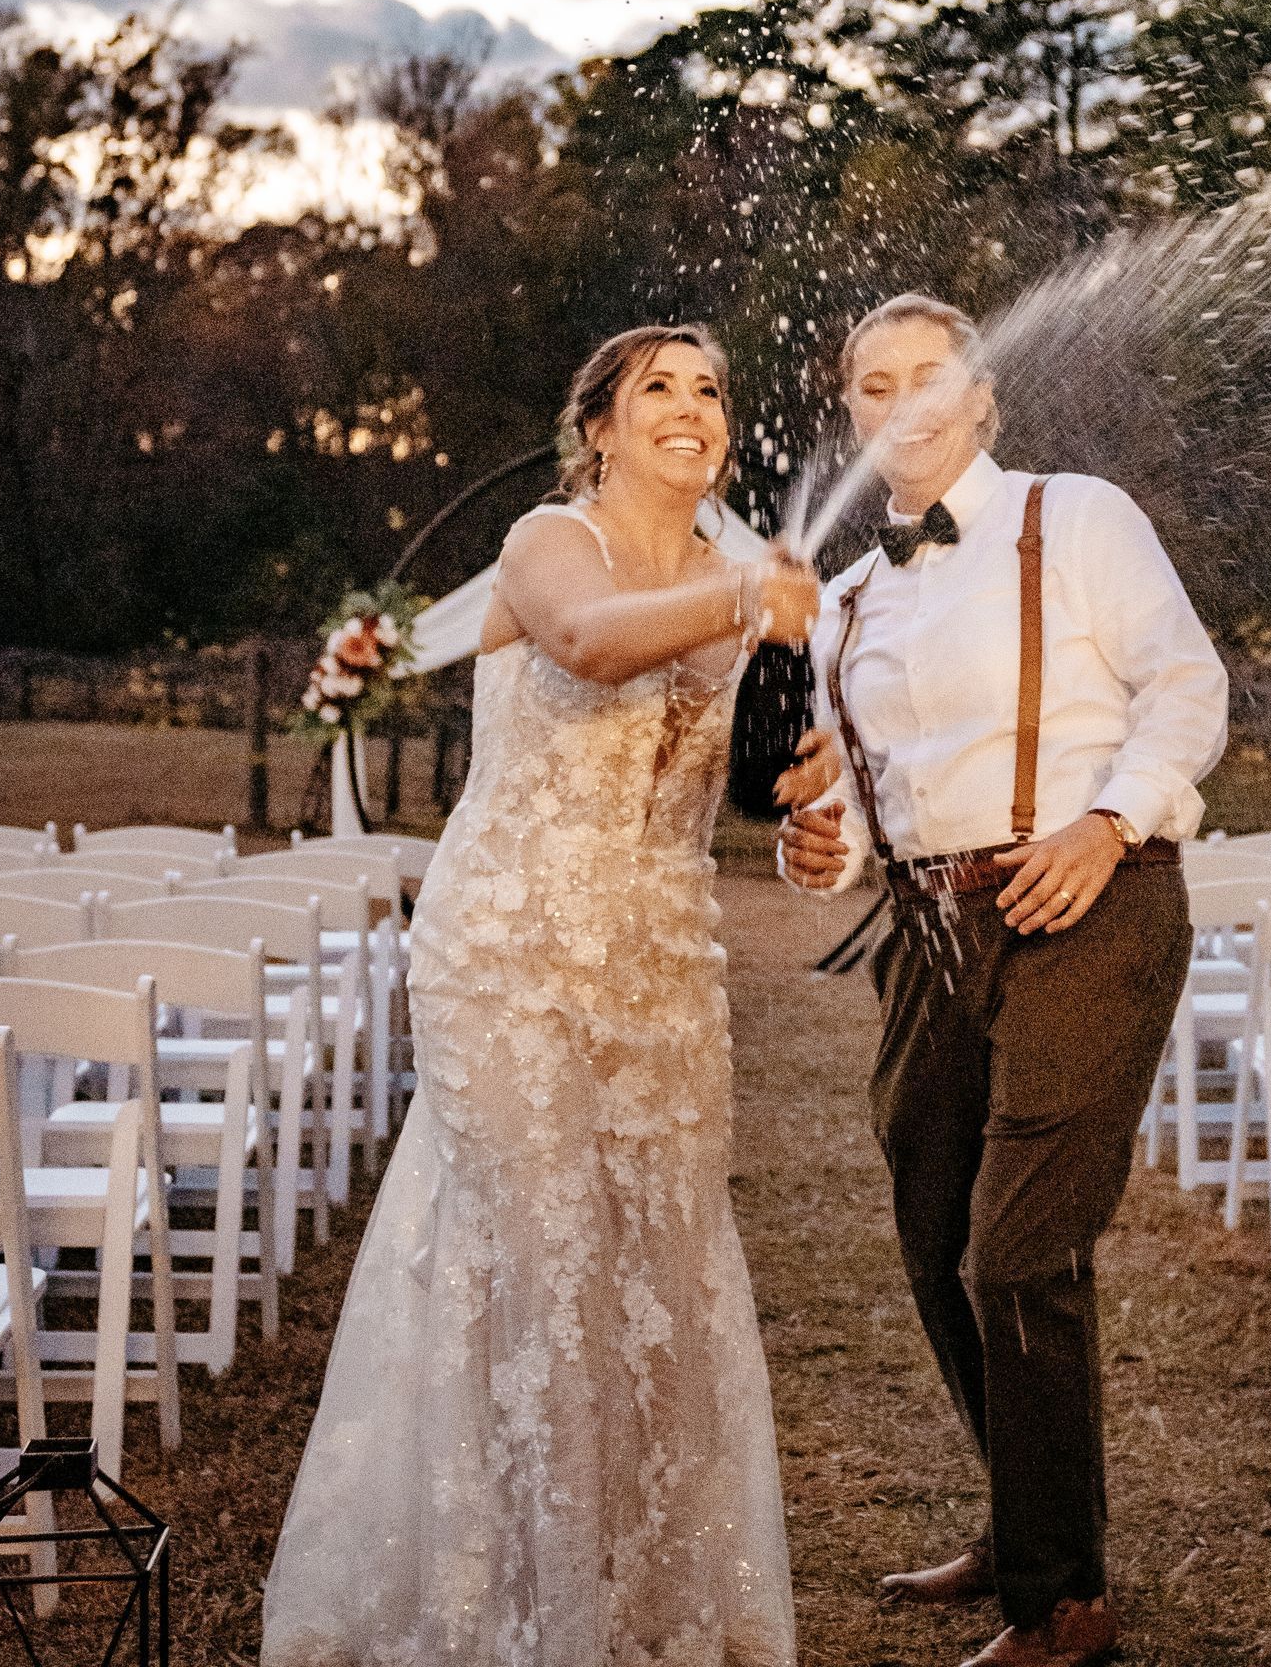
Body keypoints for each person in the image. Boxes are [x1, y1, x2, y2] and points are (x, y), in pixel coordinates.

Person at [262, 324, 815, 1667]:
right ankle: (498, 1610)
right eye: (658, 391)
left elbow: (767, 776)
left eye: (710, 392)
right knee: (533, 1248)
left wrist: (812, 822)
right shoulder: (546, 543)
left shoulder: (740, 579)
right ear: (604, 430)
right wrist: (749, 600)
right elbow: (591, 642)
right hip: (507, 951)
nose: (691, 409)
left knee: (655, 1262)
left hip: (664, 959)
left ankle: (641, 1604)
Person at [777, 294, 1228, 1667]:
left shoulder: (1073, 518)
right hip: (929, 937)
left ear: (981, 401)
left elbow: (1189, 689)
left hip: (1087, 904)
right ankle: (1027, 1513)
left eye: (929, 377)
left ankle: (1062, 1599)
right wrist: (823, 847)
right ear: (850, 413)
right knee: (932, 1236)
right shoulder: (846, 601)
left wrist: (1110, 823)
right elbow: (865, 807)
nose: (901, 401)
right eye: (871, 383)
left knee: (1020, 1250)